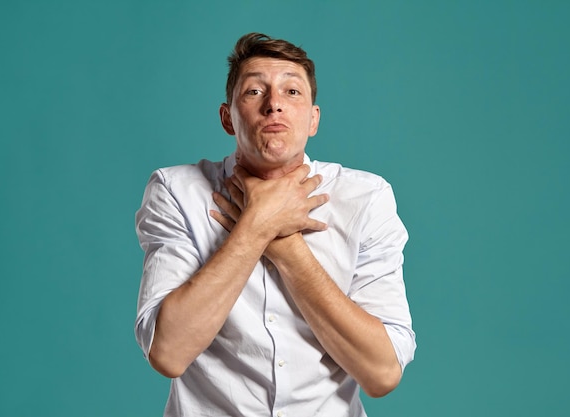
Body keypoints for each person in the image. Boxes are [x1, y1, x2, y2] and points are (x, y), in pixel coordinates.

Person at [135, 32, 416, 417]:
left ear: (314, 119)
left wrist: (283, 243)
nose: (274, 106)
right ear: (227, 118)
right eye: (254, 92)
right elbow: (168, 352)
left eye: (292, 92)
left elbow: (382, 373)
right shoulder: (175, 192)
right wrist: (253, 228)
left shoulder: (365, 198)